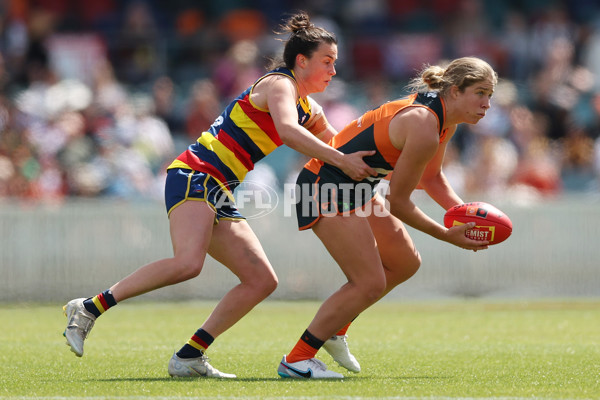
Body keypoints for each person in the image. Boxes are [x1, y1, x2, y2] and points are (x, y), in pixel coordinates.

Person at [62, 12, 376, 378]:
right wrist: (342, 159)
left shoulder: (308, 105)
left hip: (219, 186)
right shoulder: (280, 84)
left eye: (335, 63)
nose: (333, 71)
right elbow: (291, 133)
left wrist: (388, 153)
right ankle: (88, 307)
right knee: (187, 263)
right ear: (301, 61)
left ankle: (189, 357)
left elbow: (339, 142)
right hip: (195, 174)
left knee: (261, 280)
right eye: (327, 62)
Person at [278, 56, 497, 379]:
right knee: (369, 282)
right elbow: (399, 203)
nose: (487, 104)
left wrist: (463, 215)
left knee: (405, 262)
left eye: (490, 95)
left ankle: (337, 326)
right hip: (325, 187)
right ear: (453, 91)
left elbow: (432, 179)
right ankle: (297, 359)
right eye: (480, 93)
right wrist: (446, 234)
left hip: (356, 187)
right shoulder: (424, 124)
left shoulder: (442, 121)